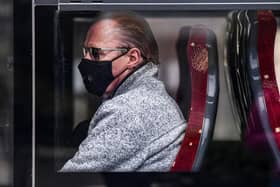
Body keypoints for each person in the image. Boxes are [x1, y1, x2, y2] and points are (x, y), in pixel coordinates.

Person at [60, 11, 186, 172]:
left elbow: (71, 178)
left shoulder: (129, 111)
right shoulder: (147, 96)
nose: (86, 61)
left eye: (96, 53)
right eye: (85, 52)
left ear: (132, 58)